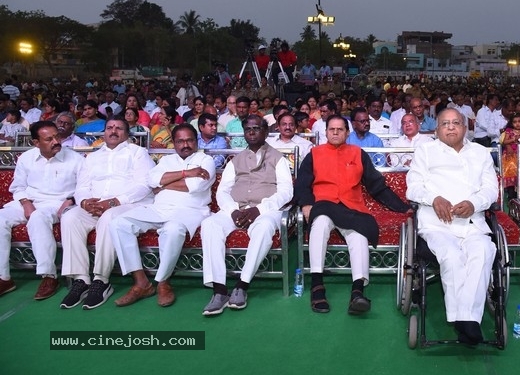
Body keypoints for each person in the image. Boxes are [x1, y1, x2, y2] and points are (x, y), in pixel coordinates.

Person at [295, 115, 411, 315]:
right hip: (324, 204)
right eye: (332, 129)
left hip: (351, 207)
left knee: (359, 235)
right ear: (326, 132)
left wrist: (402, 207)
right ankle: (317, 285)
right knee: (320, 223)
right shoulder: (314, 154)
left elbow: (377, 186)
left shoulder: (358, 153)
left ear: (347, 133)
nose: (336, 132)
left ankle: (358, 290)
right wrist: (306, 204)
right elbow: (302, 183)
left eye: (340, 129)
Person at [406, 108, 499, 345]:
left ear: (465, 128)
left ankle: (465, 318)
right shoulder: (425, 151)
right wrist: (434, 198)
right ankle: (467, 321)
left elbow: (490, 190)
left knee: (484, 251)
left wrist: (474, 203)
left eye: (456, 123)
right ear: (436, 129)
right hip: (437, 224)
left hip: (472, 222)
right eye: (444, 123)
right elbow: (413, 187)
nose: (450, 127)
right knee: (452, 256)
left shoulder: (480, 153)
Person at [109, 124, 216, 307]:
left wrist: (164, 183)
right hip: (159, 208)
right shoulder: (167, 160)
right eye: (180, 141)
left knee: (173, 229)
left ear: (196, 141)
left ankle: (163, 282)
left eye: (189, 140)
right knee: (119, 223)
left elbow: (195, 186)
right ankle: (141, 282)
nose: (185, 145)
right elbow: (151, 181)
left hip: (190, 211)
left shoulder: (206, 160)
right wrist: (185, 173)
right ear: (173, 143)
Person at [58, 117, 155, 309]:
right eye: (109, 128)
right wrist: (85, 202)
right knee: (70, 217)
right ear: (104, 132)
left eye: (119, 128)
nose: (113, 131)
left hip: (127, 204)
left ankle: (101, 280)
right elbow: (82, 186)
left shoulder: (137, 153)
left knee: (110, 218)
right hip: (95, 205)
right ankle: (81, 279)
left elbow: (145, 184)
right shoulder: (93, 157)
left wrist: (114, 202)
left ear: (127, 134)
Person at [201, 115, 294, 316]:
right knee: (210, 224)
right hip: (236, 210)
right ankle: (219, 290)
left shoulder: (278, 159)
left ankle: (242, 285)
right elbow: (222, 191)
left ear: (266, 131)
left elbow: (286, 191)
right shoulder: (235, 160)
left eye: (256, 128)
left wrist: (259, 209)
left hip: (266, 211)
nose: (251, 132)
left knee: (263, 228)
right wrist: (233, 210)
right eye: (248, 129)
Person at [0, 121, 84, 299]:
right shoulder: (26, 158)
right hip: (28, 200)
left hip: (58, 203)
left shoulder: (75, 159)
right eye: (49, 139)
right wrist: (25, 202)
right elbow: (18, 186)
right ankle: (4, 278)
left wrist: (71, 199)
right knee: (1, 218)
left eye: (57, 136)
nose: (56, 141)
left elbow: (84, 187)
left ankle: (49, 276)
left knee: (38, 218)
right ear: (36, 143)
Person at [499, 112, 520, 200]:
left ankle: (519, 194)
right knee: (510, 172)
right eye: (515, 122)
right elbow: (505, 142)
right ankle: (511, 194)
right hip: (510, 155)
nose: (517, 124)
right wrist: (514, 139)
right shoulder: (509, 131)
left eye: (519, 121)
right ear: (512, 123)